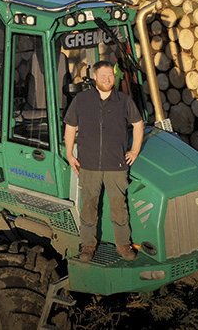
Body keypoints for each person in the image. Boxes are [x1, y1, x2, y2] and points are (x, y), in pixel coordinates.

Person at [64, 60, 144, 262]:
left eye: (110, 76)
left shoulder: (123, 101)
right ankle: (88, 247)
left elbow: (138, 123)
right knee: (89, 207)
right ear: (95, 78)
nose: (107, 79)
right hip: (89, 165)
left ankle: (123, 246)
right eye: (103, 76)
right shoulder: (82, 100)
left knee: (119, 208)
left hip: (116, 165)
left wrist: (134, 150)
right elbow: (70, 127)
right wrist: (69, 154)